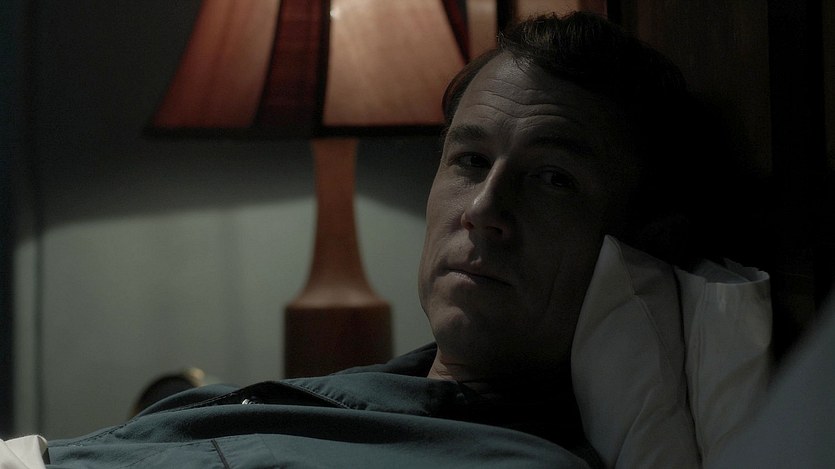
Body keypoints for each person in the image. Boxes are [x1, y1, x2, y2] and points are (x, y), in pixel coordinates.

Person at [29, 11, 710, 469]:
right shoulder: (352, 396)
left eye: (552, 179)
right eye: (470, 159)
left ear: (641, 242)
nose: (483, 210)